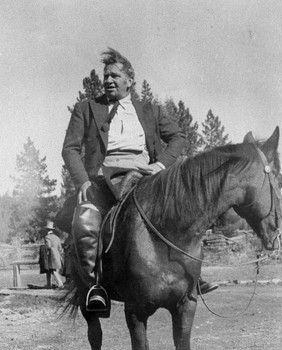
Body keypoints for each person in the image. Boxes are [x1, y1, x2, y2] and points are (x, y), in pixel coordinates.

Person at [62, 48, 217, 314]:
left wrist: (159, 165)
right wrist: (83, 181)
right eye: (106, 76)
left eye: (115, 75)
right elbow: (70, 149)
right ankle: (94, 288)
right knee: (86, 222)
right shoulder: (86, 109)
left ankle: (191, 276)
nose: (108, 80)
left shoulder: (150, 111)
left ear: (130, 81)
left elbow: (179, 137)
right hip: (103, 180)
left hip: (146, 179)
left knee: (182, 216)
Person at [40, 221, 64, 289]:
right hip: (57, 255)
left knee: (52, 270)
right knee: (51, 270)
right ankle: (48, 284)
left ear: (47, 230)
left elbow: (48, 246)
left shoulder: (47, 237)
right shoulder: (57, 237)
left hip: (51, 255)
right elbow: (60, 248)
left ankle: (60, 284)